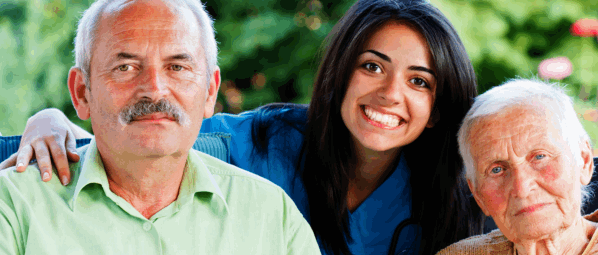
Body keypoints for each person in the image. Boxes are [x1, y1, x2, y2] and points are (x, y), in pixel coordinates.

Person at [0, 0, 483, 254]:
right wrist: (51, 122)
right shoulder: (263, 145)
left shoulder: (457, 194)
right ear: (340, 73)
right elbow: (152, 132)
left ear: (439, 106)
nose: (390, 94)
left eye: (420, 81)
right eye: (372, 67)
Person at [0, 0, 321, 254]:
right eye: (125, 67)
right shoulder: (13, 205)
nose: (154, 89)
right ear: (82, 92)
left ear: (210, 92)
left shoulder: (270, 213)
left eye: (177, 67)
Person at [437, 78, 598, 255]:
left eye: (539, 157)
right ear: (479, 196)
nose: (521, 188)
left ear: (584, 161)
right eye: (497, 170)